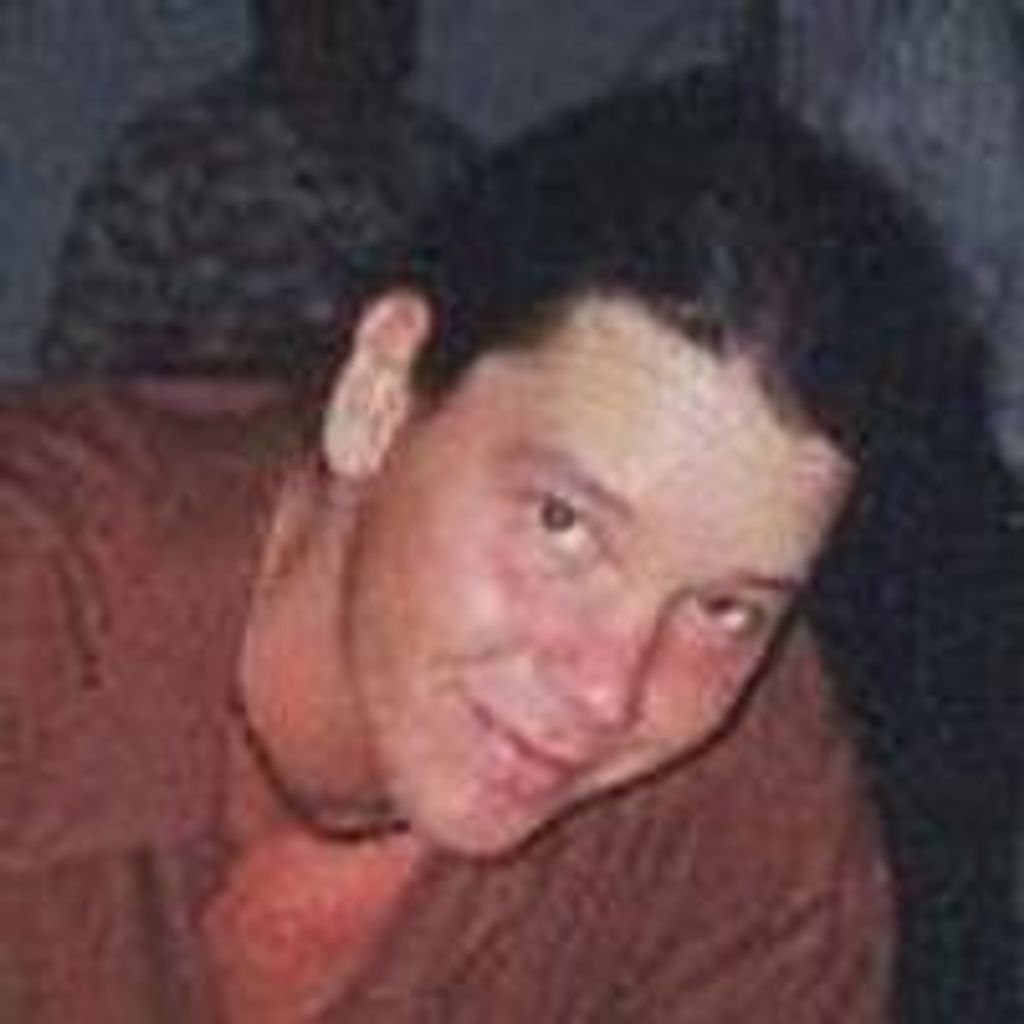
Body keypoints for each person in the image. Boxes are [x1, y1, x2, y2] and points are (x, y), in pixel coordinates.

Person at [3, 69, 1010, 1022]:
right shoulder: (35, 594)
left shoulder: (747, 803)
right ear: (378, 392)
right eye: (563, 524)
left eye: (724, 608)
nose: (608, 690)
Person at [34, 0, 477, 382]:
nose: (353, 25)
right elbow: (81, 362)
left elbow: (485, 356)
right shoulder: (172, 162)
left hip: (389, 439)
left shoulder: (447, 176)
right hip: (195, 439)